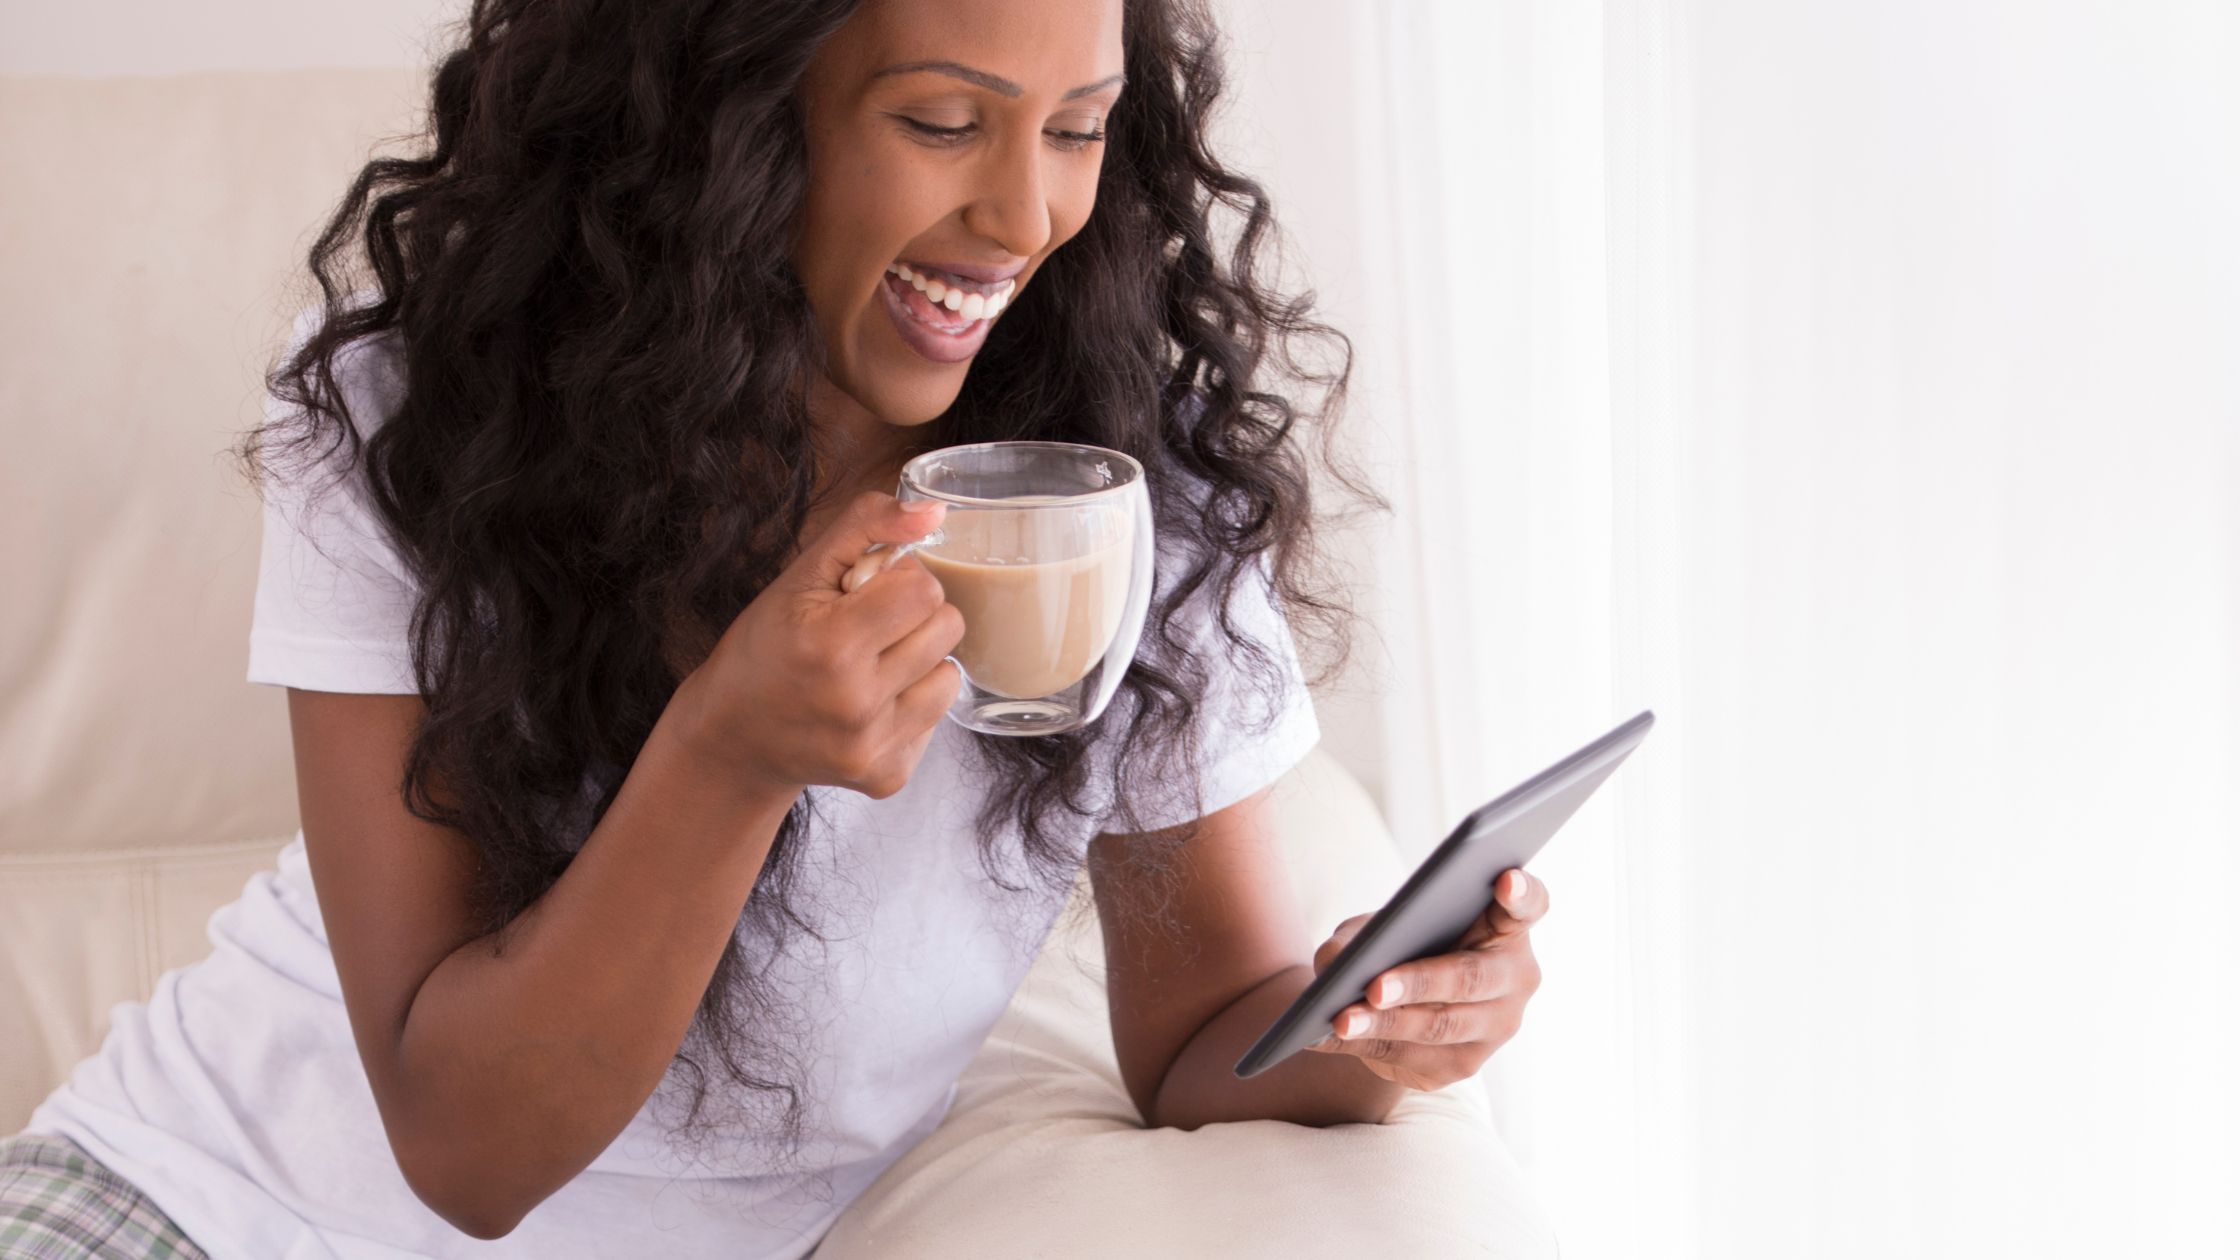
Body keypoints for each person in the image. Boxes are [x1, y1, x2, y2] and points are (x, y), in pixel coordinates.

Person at [0, 0, 1554, 1255]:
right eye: (943, 122)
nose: (1026, 215)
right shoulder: (428, 410)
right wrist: (728, 756)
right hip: (199, 1207)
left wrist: (1382, 1024)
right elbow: (465, 1156)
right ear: (735, 111)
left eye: (1078, 128)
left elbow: (1199, 1032)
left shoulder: (1127, 490)